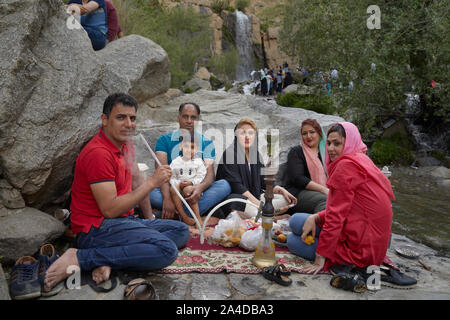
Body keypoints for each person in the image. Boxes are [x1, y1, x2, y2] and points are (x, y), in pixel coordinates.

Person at [43, 93, 190, 293]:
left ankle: (110, 258)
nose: (128, 124)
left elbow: (137, 180)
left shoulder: (125, 143)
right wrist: (153, 182)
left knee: (181, 232)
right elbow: (109, 210)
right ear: (105, 120)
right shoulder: (98, 154)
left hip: (124, 221)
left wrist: (148, 220)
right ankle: (79, 257)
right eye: (121, 117)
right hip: (96, 229)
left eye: (132, 118)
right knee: (167, 250)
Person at [287, 122, 394, 275]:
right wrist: (316, 217)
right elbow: (347, 209)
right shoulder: (361, 159)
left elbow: (336, 218)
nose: (330, 149)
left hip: (361, 250)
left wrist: (320, 258)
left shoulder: (346, 167)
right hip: (369, 240)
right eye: (329, 143)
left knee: (293, 241)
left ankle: (333, 254)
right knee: (297, 221)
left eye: (337, 144)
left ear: (349, 143)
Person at [149, 102, 231, 224]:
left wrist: (199, 188)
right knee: (147, 191)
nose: (189, 121)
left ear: (198, 120)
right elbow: (162, 173)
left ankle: (175, 214)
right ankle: (190, 214)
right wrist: (167, 198)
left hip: (195, 191)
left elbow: (209, 175)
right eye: (185, 116)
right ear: (178, 118)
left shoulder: (206, 142)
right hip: (172, 190)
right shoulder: (164, 140)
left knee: (224, 185)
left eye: (193, 117)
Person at [216, 119, 297, 220]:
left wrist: (282, 191)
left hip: (254, 197)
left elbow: (264, 182)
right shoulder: (230, 154)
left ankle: (264, 214)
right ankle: (270, 217)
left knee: (285, 200)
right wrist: (260, 205)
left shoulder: (256, 155)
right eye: (242, 133)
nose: (247, 136)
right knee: (237, 202)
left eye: (250, 133)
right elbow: (237, 187)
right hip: (235, 199)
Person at [282, 119, 328, 215]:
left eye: (312, 132)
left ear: (319, 133)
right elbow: (298, 178)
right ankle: (319, 228)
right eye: (304, 133)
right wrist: (323, 189)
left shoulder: (326, 154)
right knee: (325, 199)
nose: (308, 136)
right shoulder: (296, 152)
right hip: (296, 194)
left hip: (319, 192)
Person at [169, 135, 207, 227]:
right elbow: (171, 176)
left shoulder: (198, 162)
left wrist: (192, 182)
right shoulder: (175, 162)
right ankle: (184, 216)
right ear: (181, 147)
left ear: (197, 149)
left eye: (192, 147)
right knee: (172, 188)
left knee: (188, 189)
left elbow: (201, 176)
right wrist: (177, 183)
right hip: (178, 191)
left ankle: (197, 217)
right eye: (186, 146)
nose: (189, 150)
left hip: (191, 189)